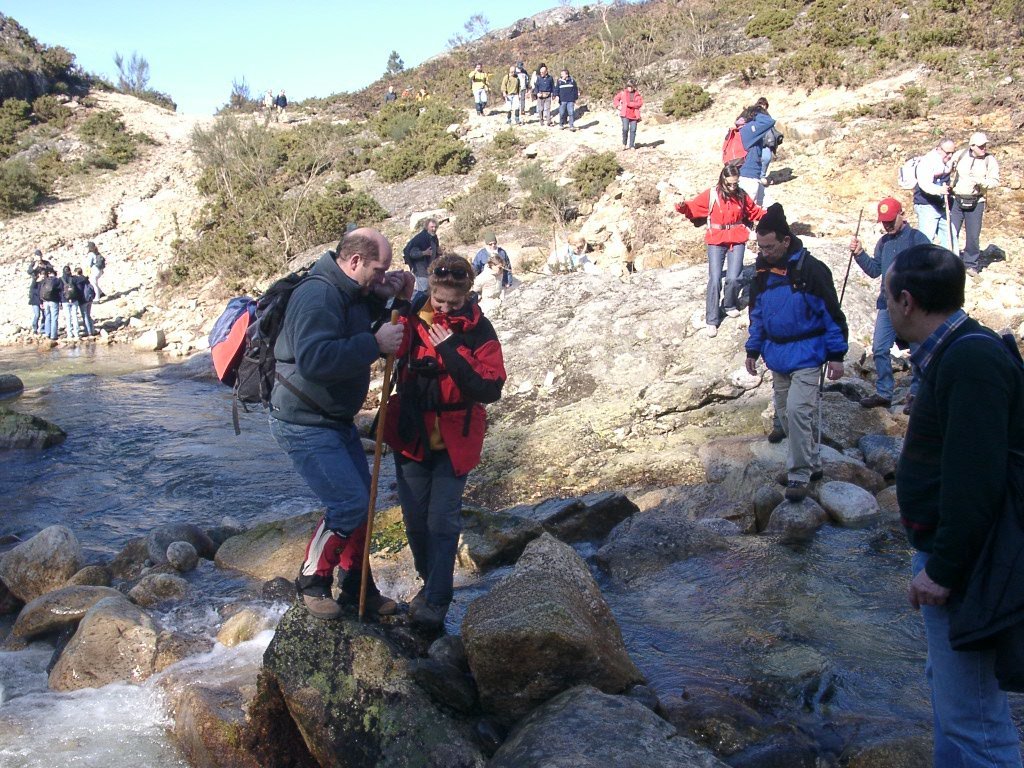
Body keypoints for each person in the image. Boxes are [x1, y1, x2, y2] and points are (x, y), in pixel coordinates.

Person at [889, 243, 1024, 768]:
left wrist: (943, 570)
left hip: (970, 562)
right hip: (962, 553)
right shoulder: (958, 353)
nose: (885, 308)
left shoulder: (970, 360)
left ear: (906, 301)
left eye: (886, 298)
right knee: (951, 697)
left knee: (974, 719)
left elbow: (975, 479)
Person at [272, 228, 415, 620]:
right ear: (355, 262)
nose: (383, 276)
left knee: (363, 504)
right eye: (379, 269)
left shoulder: (351, 292)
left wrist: (393, 297)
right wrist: (374, 343)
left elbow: (368, 325)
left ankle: (356, 586)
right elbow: (315, 359)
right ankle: (311, 580)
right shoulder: (318, 296)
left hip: (333, 420)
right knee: (349, 503)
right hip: (303, 421)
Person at [384, 255, 506, 630]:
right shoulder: (409, 316)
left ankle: (437, 598)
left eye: (453, 303)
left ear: (467, 295)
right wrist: (391, 307)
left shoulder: (479, 330)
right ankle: (429, 582)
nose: (445, 309)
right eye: (439, 300)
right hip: (411, 432)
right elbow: (388, 346)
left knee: (441, 520)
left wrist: (452, 349)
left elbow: (490, 388)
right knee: (415, 520)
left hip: (457, 435)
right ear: (431, 290)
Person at [744, 203, 848, 501]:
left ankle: (799, 474)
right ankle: (810, 463)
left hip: (808, 353)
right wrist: (752, 350)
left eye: (770, 246)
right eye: (760, 246)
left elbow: (831, 315)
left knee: (797, 411)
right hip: (777, 355)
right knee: (786, 415)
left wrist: (837, 355)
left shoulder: (811, 270)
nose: (764, 252)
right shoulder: (762, 273)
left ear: (786, 240)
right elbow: (757, 316)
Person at [850, 197, 931, 412]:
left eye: (890, 221)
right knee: (879, 348)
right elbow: (874, 270)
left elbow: (932, 267)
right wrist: (859, 254)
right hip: (887, 304)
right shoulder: (883, 243)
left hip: (912, 306)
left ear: (901, 215)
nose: (887, 225)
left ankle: (917, 394)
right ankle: (884, 393)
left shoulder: (917, 239)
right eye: (884, 222)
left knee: (917, 350)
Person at [676, 162, 766, 337]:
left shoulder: (741, 195)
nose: (733, 187)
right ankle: (711, 319)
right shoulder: (711, 194)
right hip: (716, 239)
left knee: (734, 277)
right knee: (715, 278)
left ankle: (729, 304)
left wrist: (771, 214)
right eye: (729, 184)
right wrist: (682, 206)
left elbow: (753, 211)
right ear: (722, 180)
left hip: (737, 237)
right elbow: (693, 207)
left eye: (735, 183)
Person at [950, 131, 1000, 274]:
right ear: (972, 146)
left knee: (973, 235)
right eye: (980, 146)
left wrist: (981, 182)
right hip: (957, 199)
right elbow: (948, 167)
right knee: (951, 231)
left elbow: (995, 181)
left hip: (976, 201)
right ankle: (949, 260)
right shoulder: (960, 155)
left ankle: (971, 264)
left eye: (985, 145)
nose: (984, 148)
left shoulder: (990, 160)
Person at [913, 138, 956, 250]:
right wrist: (939, 190)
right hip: (926, 205)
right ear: (939, 149)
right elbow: (924, 184)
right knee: (926, 239)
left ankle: (952, 259)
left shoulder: (948, 161)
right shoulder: (927, 162)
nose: (950, 156)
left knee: (950, 236)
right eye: (948, 153)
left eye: (952, 152)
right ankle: (922, 260)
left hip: (942, 205)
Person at [737, 103, 776, 205]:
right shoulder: (748, 130)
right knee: (750, 208)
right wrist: (755, 112)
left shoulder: (743, 129)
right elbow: (769, 121)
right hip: (748, 177)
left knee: (767, 207)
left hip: (750, 175)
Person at [403, 219, 441, 293]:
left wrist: (438, 252)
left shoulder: (434, 237)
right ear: (427, 227)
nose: (434, 229)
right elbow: (412, 254)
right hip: (420, 269)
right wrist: (424, 253)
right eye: (432, 227)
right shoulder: (420, 238)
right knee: (423, 291)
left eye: (435, 227)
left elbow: (435, 250)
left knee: (430, 290)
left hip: (430, 268)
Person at [755, 97, 782, 186]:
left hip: (767, 140)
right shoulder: (753, 114)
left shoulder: (767, 116)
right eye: (761, 104)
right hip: (757, 140)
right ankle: (756, 177)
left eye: (765, 105)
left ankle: (761, 176)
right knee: (757, 159)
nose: (763, 106)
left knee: (767, 158)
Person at [612, 81, 643, 150]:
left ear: (634, 87)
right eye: (629, 87)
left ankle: (632, 145)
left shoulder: (637, 94)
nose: (630, 88)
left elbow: (640, 104)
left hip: (634, 115)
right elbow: (616, 99)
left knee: (633, 130)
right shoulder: (623, 93)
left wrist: (631, 104)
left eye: (631, 87)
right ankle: (624, 144)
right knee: (625, 129)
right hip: (625, 114)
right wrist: (618, 106)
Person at [39, 267, 62, 341]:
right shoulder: (57, 280)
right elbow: (61, 292)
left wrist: (41, 301)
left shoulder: (45, 280)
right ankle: (53, 335)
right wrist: (61, 302)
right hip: (54, 301)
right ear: (55, 274)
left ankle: (47, 333)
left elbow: (41, 291)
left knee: (47, 317)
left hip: (45, 301)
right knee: (54, 318)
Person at [60, 265, 81, 339]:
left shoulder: (61, 279)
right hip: (74, 300)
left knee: (68, 317)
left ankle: (69, 334)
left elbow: (59, 291)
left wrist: (60, 300)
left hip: (65, 300)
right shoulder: (74, 278)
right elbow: (78, 288)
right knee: (75, 316)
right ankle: (76, 334)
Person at [73, 267, 96, 336]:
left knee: (85, 316)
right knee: (88, 315)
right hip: (89, 299)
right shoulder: (86, 279)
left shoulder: (77, 280)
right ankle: (92, 330)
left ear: (76, 272)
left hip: (83, 300)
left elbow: (79, 291)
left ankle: (88, 332)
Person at [27, 265, 43, 335]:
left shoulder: (43, 283)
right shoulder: (34, 282)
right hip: (35, 301)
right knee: (37, 315)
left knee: (44, 315)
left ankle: (42, 328)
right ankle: (35, 328)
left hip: (41, 301)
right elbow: (32, 291)